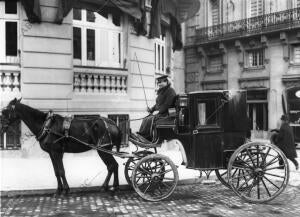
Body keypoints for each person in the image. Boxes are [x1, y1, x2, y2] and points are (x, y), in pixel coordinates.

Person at [138, 75, 176, 140]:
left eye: (161, 82)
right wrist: (151, 110)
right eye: (158, 82)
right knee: (146, 118)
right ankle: (142, 134)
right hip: (161, 112)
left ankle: (147, 137)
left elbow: (168, 104)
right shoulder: (161, 91)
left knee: (150, 119)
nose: (159, 84)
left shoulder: (170, 91)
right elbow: (157, 104)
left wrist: (159, 111)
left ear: (166, 82)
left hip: (167, 113)